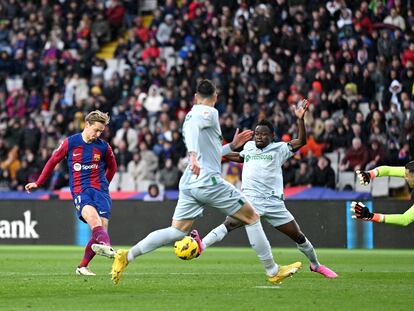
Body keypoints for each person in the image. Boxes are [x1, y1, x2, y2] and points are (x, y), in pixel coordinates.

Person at [103, 79, 301, 285]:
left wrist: (231, 145)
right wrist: (193, 154)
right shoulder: (208, 113)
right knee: (252, 217)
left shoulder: (190, 114)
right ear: (214, 97)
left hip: (189, 181)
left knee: (177, 231)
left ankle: (127, 256)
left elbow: (211, 151)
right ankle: (272, 271)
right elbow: (193, 131)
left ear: (196, 97)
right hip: (208, 180)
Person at [195, 100, 338, 279]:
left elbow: (301, 141)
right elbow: (239, 157)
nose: (259, 137)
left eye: (263, 134)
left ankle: (316, 265)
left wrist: (300, 119)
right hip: (250, 199)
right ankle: (201, 246)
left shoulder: (279, 149)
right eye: (256, 134)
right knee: (229, 224)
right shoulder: (248, 147)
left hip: (273, 202)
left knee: (299, 236)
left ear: (272, 136)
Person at [25, 110, 117, 276]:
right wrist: (38, 182)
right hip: (80, 190)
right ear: (87, 124)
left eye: (101, 132)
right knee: (94, 221)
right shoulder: (71, 143)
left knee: (102, 227)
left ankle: (82, 266)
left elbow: (113, 167)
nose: (98, 134)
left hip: (100, 191)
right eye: (96, 130)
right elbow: (53, 161)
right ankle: (108, 246)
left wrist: (105, 185)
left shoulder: (104, 147)